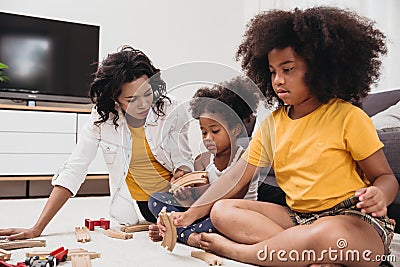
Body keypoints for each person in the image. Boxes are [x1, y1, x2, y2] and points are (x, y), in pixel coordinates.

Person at [160, 7, 399, 267]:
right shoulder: (273, 125)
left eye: (288, 69)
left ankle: (239, 252)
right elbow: (234, 177)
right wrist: (191, 214)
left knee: (330, 233)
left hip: (352, 220)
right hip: (298, 218)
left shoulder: (348, 117)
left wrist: (380, 195)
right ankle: (308, 254)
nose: (278, 80)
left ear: (319, 69)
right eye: (273, 72)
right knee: (222, 211)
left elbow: (386, 178)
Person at [0, 45, 193, 240]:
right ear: (114, 98)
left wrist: (181, 177)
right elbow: (74, 170)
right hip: (151, 204)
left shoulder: (171, 108)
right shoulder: (101, 119)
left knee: (212, 199)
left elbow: (184, 161)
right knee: (158, 203)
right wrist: (37, 228)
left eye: (147, 94)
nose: (143, 104)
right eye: (132, 99)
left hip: (177, 196)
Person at [148, 76, 260, 247]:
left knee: (217, 219)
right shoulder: (202, 161)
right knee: (157, 200)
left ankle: (178, 232)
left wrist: (189, 210)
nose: (208, 138)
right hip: (203, 214)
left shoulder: (244, 160)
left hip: (230, 215)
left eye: (215, 131)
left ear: (236, 129)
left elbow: (229, 196)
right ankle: (182, 231)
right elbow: (198, 201)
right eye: (203, 132)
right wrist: (186, 195)